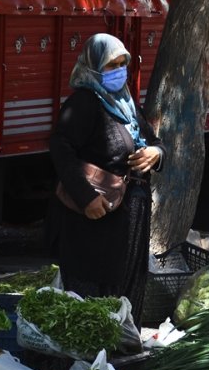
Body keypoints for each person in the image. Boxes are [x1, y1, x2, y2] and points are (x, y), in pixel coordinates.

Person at [48, 33, 165, 326]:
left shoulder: (125, 103)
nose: (119, 72)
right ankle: (96, 355)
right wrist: (85, 197)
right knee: (96, 287)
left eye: (122, 64)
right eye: (111, 66)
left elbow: (153, 140)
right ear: (94, 66)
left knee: (128, 281)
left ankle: (122, 348)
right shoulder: (84, 103)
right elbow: (61, 149)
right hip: (97, 216)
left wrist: (156, 153)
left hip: (131, 212)